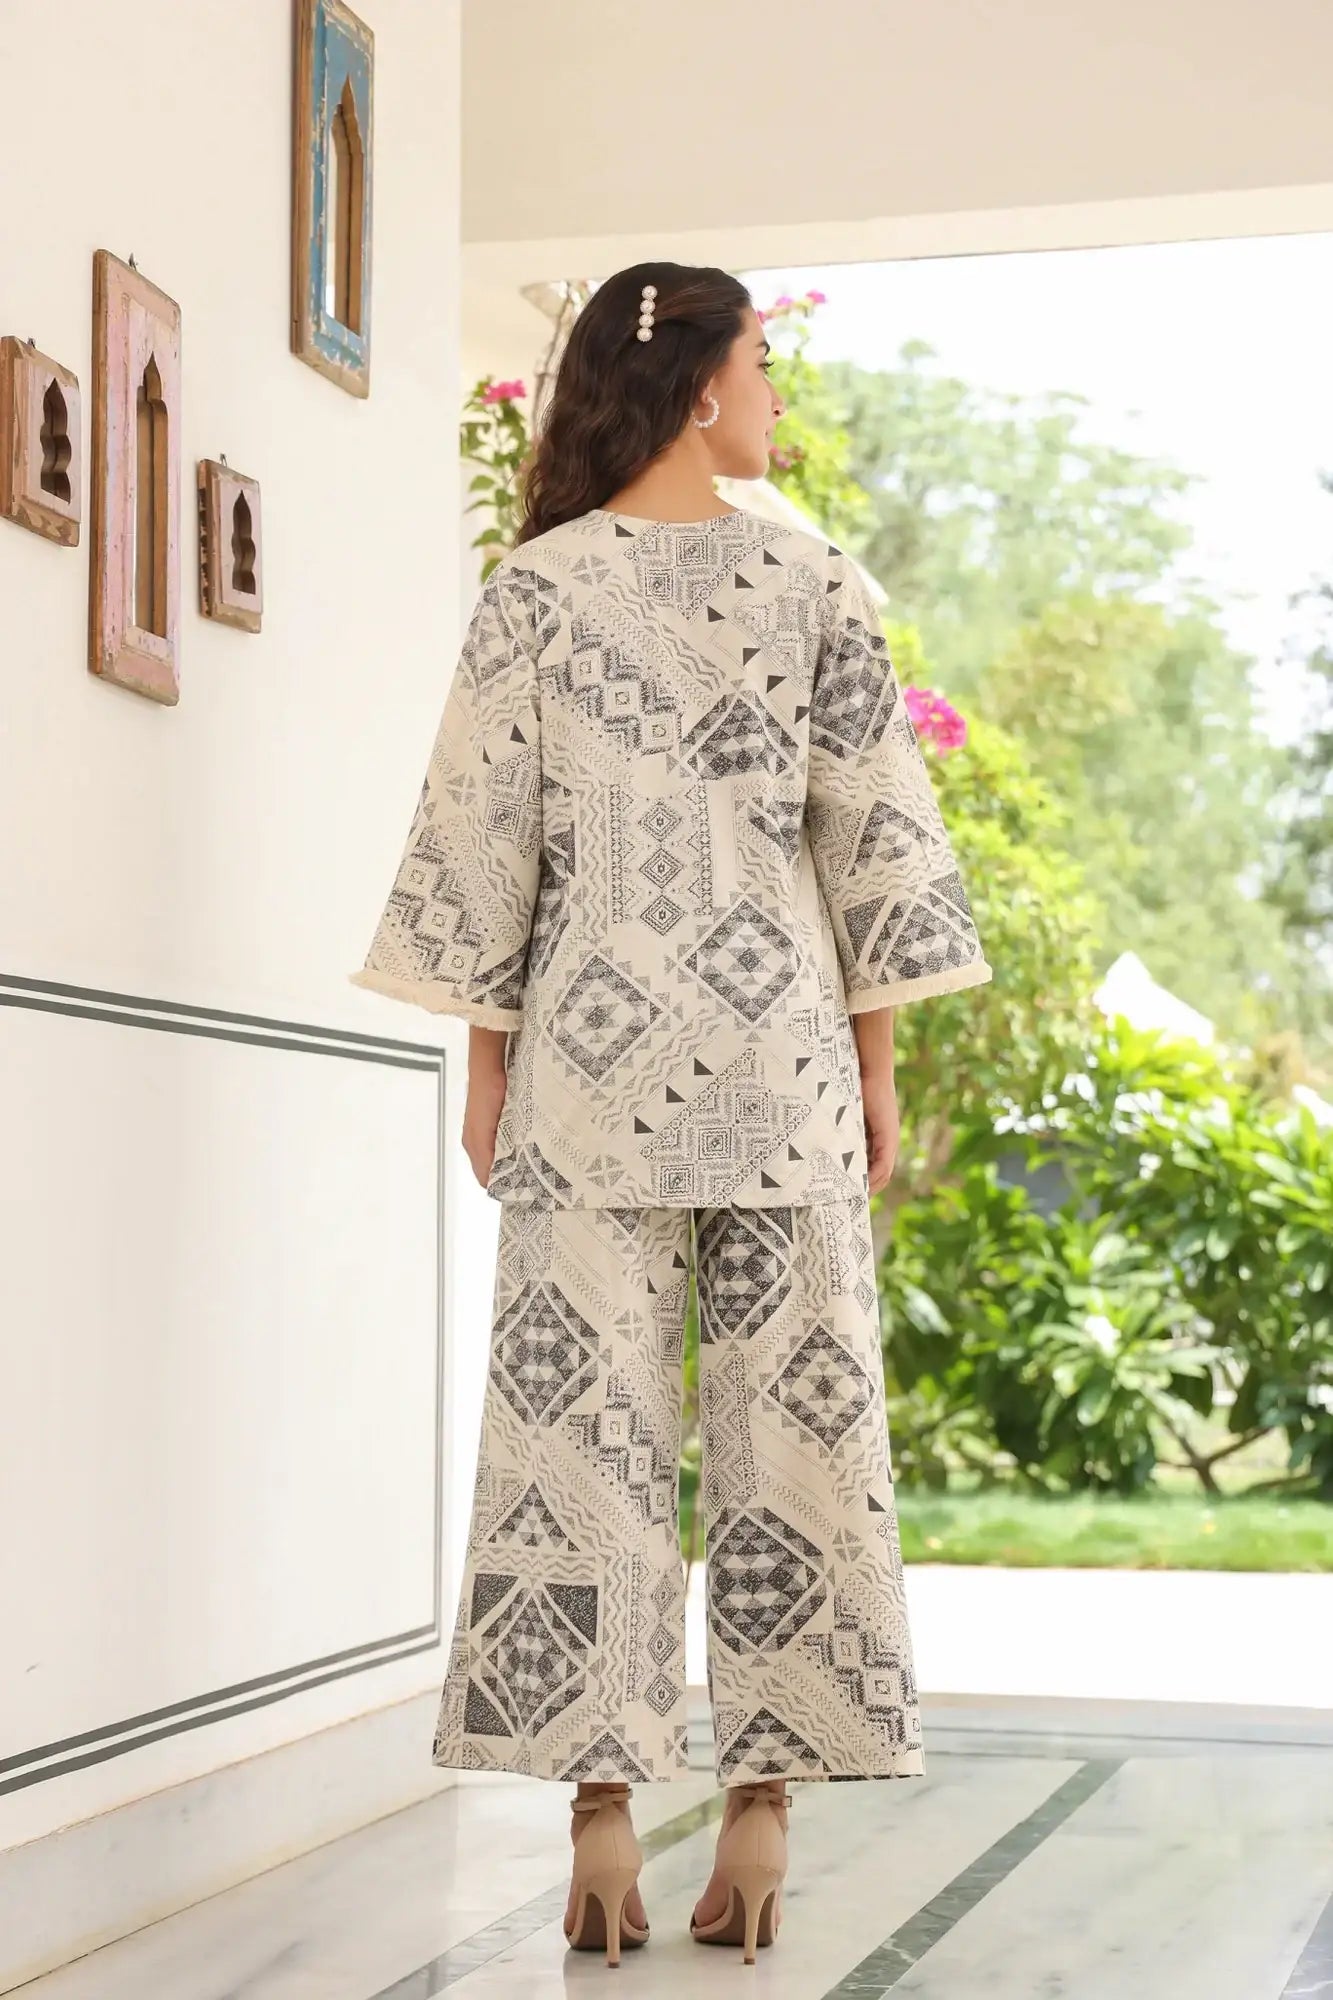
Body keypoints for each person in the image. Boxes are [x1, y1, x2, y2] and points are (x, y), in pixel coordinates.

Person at [350, 261, 992, 1966]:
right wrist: (875, 1071)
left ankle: (600, 1823)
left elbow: (483, 844)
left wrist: (489, 1074)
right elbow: (868, 842)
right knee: (798, 1442)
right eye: (764, 364)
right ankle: (764, 1810)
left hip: (588, 1072)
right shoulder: (813, 582)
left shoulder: (533, 592)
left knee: (578, 1449)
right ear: (700, 385)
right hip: (780, 1071)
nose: (777, 397)